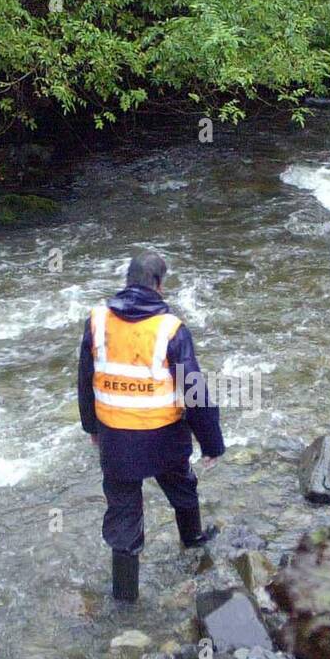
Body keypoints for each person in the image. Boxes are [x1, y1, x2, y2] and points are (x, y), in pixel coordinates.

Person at [77, 251, 225, 602]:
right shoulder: (171, 328)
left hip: (115, 439)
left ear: (127, 280)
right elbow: (194, 391)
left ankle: (125, 600)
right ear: (159, 284)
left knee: (124, 516)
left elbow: (85, 380)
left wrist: (92, 428)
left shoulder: (97, 321)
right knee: (182, 489)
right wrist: (212, 444)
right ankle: (193, 545)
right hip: (164, 439)